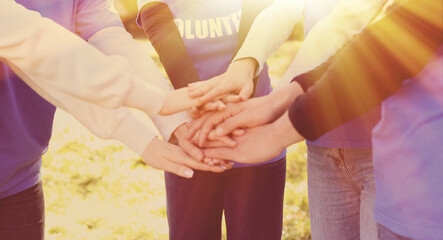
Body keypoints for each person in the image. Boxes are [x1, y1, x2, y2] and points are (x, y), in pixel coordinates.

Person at [199, 0, 443, 239]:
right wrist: (248, 67)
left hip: (386, 149)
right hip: (323, 141)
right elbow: (302, 13)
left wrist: (280, 122)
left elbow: (370, 33)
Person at [0, 1, 231, 239]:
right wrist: (158, 103)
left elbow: (111, 42)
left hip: (19, 177)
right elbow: (38, 48)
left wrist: (175, 125)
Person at [136, 0, 293, 239]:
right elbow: (163, 34)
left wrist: (235, 98)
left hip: (254, 134)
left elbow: (259, 20)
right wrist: (204, 105)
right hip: (192, 139)